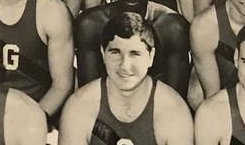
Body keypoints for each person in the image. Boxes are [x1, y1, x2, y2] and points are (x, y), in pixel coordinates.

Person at [59, 12, 193, 145]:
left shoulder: (173, 112)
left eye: (135, 53)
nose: (124, 65)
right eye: (115, 52)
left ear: (151, 56)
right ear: (103, 53)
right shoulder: (80, 107)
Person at [75, 0, 191, 96]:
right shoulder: (91, 24)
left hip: (156, 105)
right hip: (106, 104)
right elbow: (89, 92)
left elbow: (175, 96)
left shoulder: (171, 26)